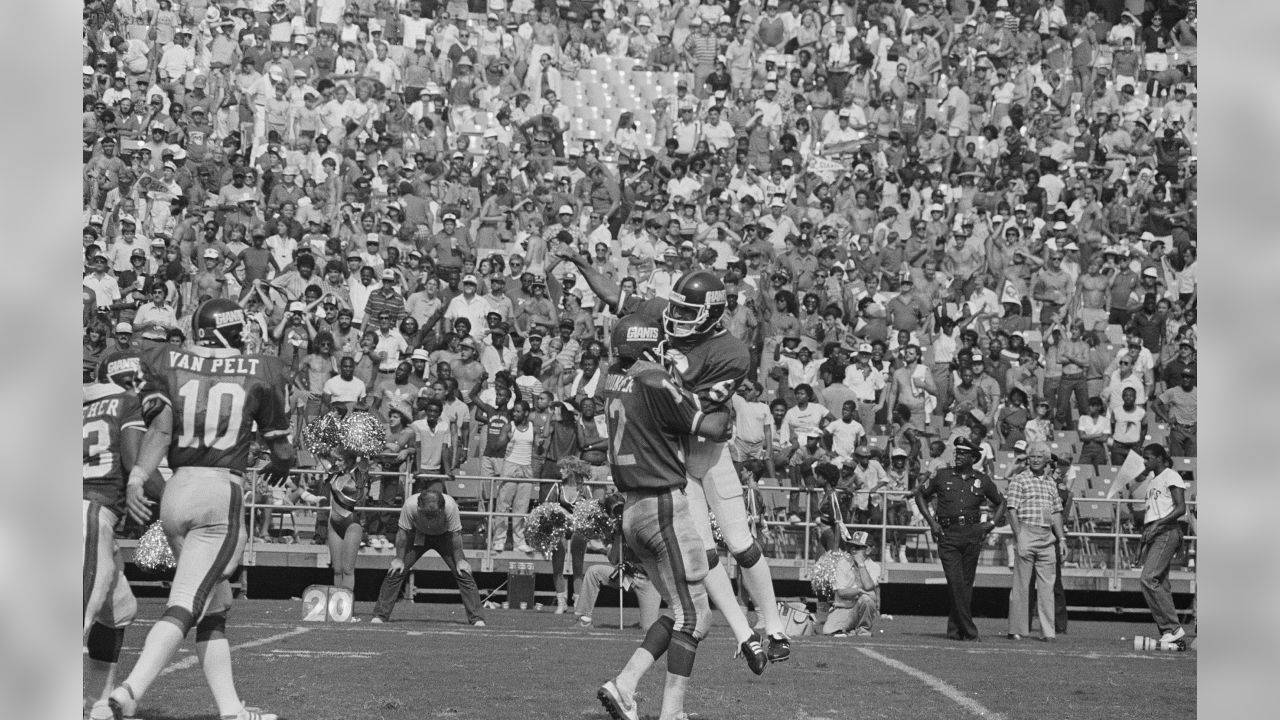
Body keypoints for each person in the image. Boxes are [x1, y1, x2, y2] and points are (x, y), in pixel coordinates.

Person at [109, 299, 296, 720]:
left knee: (216, 604)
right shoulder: (262, 369)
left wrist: (139, 477)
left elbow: (159, 429)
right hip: (218, 492)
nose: (247, 335)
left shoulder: (169, 362)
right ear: (227, 330)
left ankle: (231, 710)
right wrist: (282, 461)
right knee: (187, 602)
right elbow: (281, 448)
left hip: (177, 488)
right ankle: (129, 690)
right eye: (240, 328)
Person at [596, 314, 735, 720]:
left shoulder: (612, 376)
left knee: (679, 611)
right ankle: (671, 713)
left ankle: (624, 684)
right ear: (647, 346)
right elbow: (711, 426)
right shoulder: (654, 380)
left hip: (633, 509)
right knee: (695, 618)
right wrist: (725, 398)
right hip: (662, 507)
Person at [83, 357, 159, 720]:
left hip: (82, 514)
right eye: (136, 377)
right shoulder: (126, 401)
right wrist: (170, 497)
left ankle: (96, 701)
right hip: (91, 513)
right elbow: (132, 458)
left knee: (120, 610)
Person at [914, 437, 1007, 641]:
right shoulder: (942, 475)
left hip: (972, 533)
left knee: (965, 585)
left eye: (964, 454)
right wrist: (932, 522)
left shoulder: (982, 480)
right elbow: (920, 495)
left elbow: (1001, 502)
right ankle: (970, 631)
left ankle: (955, 631)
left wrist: (990, 524)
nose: (958, 456)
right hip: (947, 533)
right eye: (957, 452)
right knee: (956, 582)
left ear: (973, 458)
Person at [369, 489, 486, 626]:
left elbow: (456, 535)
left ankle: (477, 618)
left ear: (442, 508)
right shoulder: (409, 505)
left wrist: (460, 560)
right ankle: (380, 615)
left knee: (464, 572)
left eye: (434, 514)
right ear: (419, 507)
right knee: (396, 570)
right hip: (418, 535)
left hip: (445, 536)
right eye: (426, 514)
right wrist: (399, 559)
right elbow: (402, 533)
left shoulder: (451, 507)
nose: (430, 519)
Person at [1123, 443, 1190, 645]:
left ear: (1159, 458)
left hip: (1167, 531)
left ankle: (1173, 628)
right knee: (1160, 582)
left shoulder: (1171, 476)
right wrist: (1141, 546)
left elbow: (1180, 508)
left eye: (1148, 457)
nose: (1145, 461)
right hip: (1155, 533)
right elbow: (1151, 516)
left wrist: (1159, 526)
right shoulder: (1153, 481)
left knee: (1148, 578)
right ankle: (1169, 632)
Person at [1004, 442, 1068, 642]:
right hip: (1027, 532)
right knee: (1021, 585)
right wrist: (1019, 535)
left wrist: (1062, 539)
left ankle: (1048, 631)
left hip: (1047, 537)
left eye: (1039, 457)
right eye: (1032, 456)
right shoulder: (1019, 479)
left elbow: (1057, 512)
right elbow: (1011, 509)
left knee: (1047, 587)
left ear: (1046, 460)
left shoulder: (1050, 483)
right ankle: (1017, 629)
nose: (1035, 460)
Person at [320, 449, 370, 605]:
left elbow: (364, 463)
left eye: (340, 460)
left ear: (349, 461)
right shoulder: (334, 473)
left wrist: (361, 451)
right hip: (333, 524)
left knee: (348, 569)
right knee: (337, 569)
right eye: (336, 460)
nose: (337, 462)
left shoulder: (359, 474)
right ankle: (336, 607)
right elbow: (321, 455)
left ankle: (346, 607)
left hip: (351, 524)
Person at [821, 531, 882, 637]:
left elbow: (868, 587)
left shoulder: (874, 567)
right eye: (852, 546)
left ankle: (863, 630)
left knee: (866, 600)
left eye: (858, 547)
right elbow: (841, 592)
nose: (853, 550)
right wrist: (858, 591)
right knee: (828, 631)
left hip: (860, 608)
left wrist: (861, 565)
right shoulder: (842, 563)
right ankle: (851, 630)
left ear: (868, 550)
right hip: (843, 608)